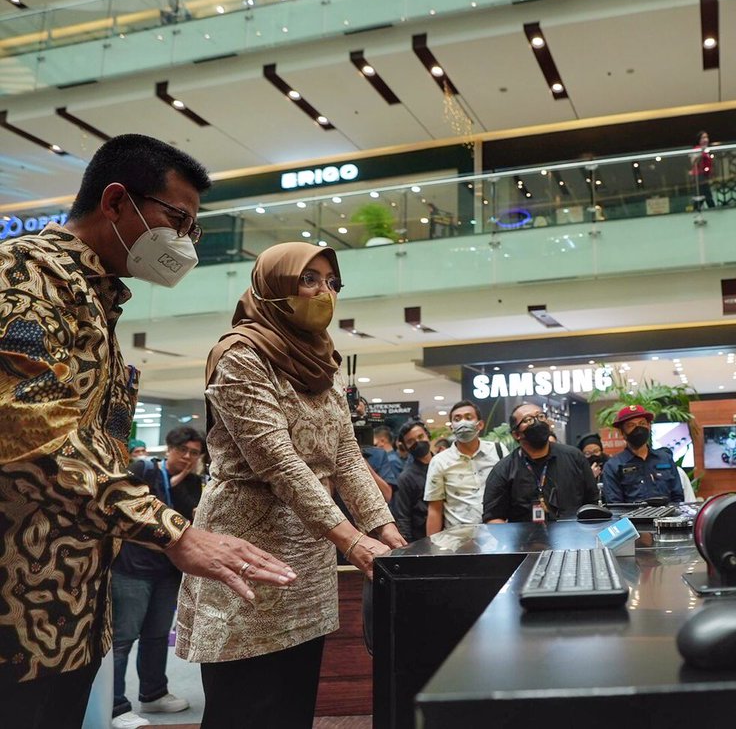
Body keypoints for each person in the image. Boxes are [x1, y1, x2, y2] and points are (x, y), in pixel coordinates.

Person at [0, 133, 296, 729]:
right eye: (177, 219)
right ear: (115, 202)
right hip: (15, 609)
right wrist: (172, 531)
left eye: (194, 229)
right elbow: (28, 430)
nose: (185, 241)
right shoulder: (24, 275)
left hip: (69, 605)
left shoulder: (93, 299)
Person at [175, 243, 405, 728]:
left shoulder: (323, 361)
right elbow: (277, 460)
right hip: (248, 549)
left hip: (309, 555)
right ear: (274, 284)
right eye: (310, 279)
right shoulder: (240, 353)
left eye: (332, 283)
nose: (325, 292)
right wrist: (350, 538)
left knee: (294, 703)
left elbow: (345, 455)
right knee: (247, 705)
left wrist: (386, 530)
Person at [111, 426, 206, 729]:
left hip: (167, 571)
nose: (189, 457)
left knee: (155, 636)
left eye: (195, 452)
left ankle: (153, 693)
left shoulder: (191, 482)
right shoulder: (142, 469)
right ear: (169, 448)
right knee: (122, 639)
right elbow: (126, 514)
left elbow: (189, 521)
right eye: (184, 451)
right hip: (132, 569)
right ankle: (115, 706)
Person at [483, 404, 598, 523]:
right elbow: (493, 517)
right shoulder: (504, 469)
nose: (537, 422)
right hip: (524, 539)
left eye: (541, 416)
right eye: (528, 419)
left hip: (572, 537)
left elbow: (592, 502)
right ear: (517, 434)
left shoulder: (574, 457)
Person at [424, 400, 506, 536]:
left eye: (468, 418)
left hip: (498, 537)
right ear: (452, 427)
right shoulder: (439, 461)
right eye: (457, 419)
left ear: (480, 424)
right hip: (458, 541)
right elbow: (435, 509)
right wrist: (431, 550)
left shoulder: (498, 451)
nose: (463, 422)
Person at [601, 405, 685, 504]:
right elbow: (615, 505)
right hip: (632, 519)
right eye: (631, 425)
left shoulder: (665, 459)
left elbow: (678, 497)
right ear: (622, 432)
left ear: (649, 427)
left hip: (666, 518)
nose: (638, 429)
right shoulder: (613, 466)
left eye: (642, 423)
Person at [392, 420, 434, 541]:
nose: (417, 442)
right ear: (405, 447)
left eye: (420, 437)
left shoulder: (445, 465)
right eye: (410, 441)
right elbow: (403, 517)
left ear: (428, 435)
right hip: (422, 541)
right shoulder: (405, 478)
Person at [690, 131, 716, 209]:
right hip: (699, 176)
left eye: (706, 137)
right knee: (706, 195)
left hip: (704, 176)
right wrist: (701, 152)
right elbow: (693, 161)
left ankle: (696, 211)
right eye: (703, 137)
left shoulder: (706, 150)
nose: (706, 139)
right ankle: (712, 209)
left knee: (703, 196)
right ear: (699, 140)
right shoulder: (698, 149)